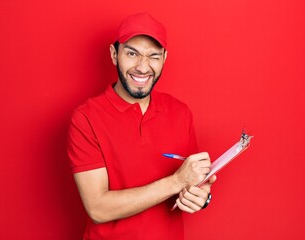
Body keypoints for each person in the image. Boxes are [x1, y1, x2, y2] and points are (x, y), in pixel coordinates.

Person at [67, 12, 217, 240]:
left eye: (153, 56)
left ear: (165, 58)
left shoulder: (181, 112)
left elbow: (193, 182)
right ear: (114, 54)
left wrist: (201, 195)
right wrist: (176, 181)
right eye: (132, 53)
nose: (143, 67)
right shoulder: (86, 118)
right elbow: (98, 208)